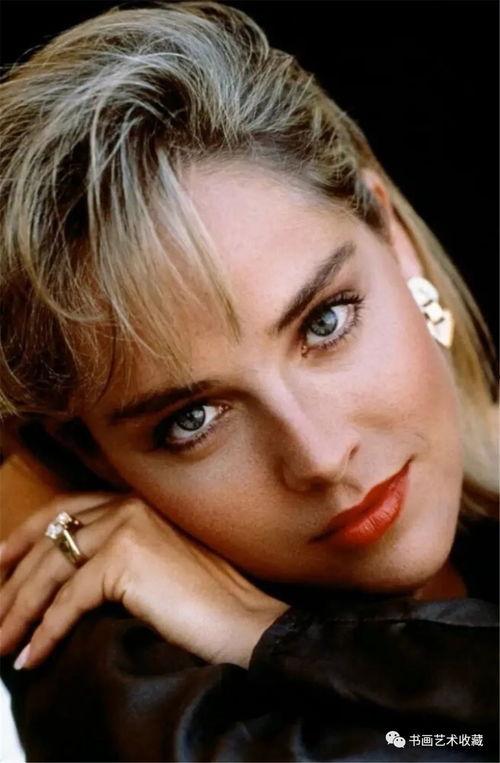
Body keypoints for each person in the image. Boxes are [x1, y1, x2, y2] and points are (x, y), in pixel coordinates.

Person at [0, 1, 498, 760]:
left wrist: (269, 633)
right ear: (92, 454)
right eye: (193, 419)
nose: (321, 457)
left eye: (325, 322)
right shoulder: (142, 696)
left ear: (394, 240)